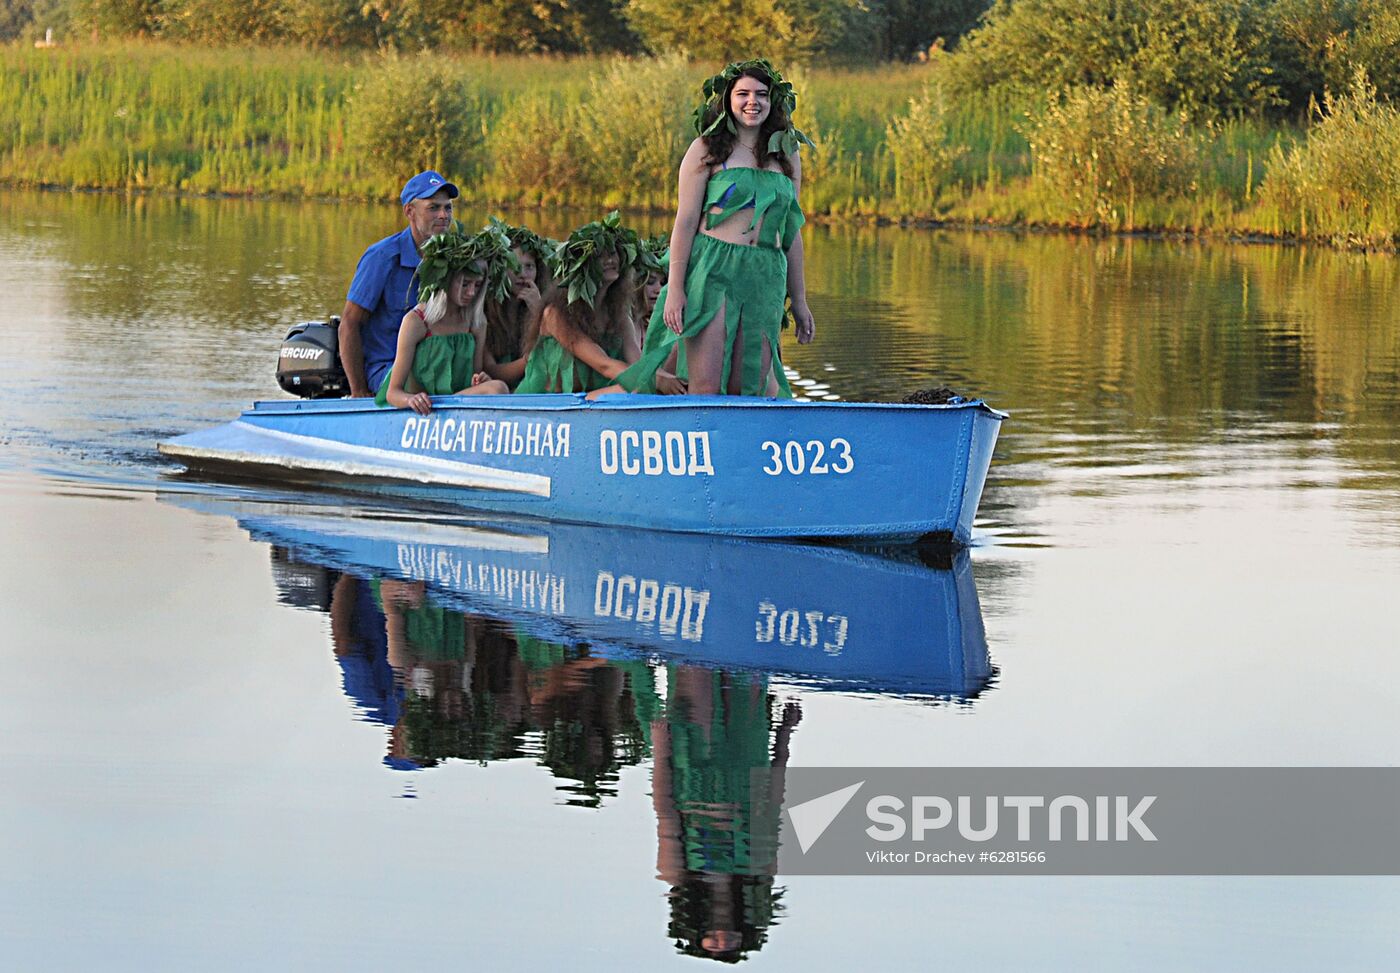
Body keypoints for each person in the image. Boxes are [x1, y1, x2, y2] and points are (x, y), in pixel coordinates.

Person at [618, 59, 816, 398]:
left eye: (762, 94)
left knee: (748, 385)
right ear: (727, 100)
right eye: (742, 94)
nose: (752, 102)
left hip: (765, 272)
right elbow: (685, 223)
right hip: (713, 268)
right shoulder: (707, 149)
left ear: (774, 101)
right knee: (707, 385)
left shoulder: (786, 153)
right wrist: (676, 289)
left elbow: (791, 231)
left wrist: (798, 300)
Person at [339, 170, 459, 398]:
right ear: (410, 212)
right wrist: (359, 392)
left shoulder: (456, 257)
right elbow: (349, 324)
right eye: (433, 207)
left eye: (448, 207)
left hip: (434, 367)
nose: (444, 215)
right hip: (386, 371)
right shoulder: (382, 257)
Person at [376, 227, 512, 413]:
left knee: (497, 388)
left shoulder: (476, 323)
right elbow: (393, 393)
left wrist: (480, 380)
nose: (472, 292)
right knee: (499, 389)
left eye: (477, 285)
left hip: (458, 408)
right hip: (425, 410)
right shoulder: (416, 322)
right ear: (447, 279)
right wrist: (411, 399)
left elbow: (475, 377)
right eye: (465, 284)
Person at [515, 213, 645, 394]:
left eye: (613, 253)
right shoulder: (555, 314)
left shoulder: (619, 315)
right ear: (580, 266)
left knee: (643, 385)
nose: (610, 260)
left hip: (589, 401)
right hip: (547, 405)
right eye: (600, 255)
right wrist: (651, 381)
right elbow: (604, 365)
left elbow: (638, 364)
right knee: (636, 386)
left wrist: (665, 380)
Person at [482, 220, 555, 389]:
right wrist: (528, 359)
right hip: (501, 389)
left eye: (529, 266)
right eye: (514, 267)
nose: (522, 274)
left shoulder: (547, 306)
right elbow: (490, 370)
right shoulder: (485, 311)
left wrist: (540, 312)